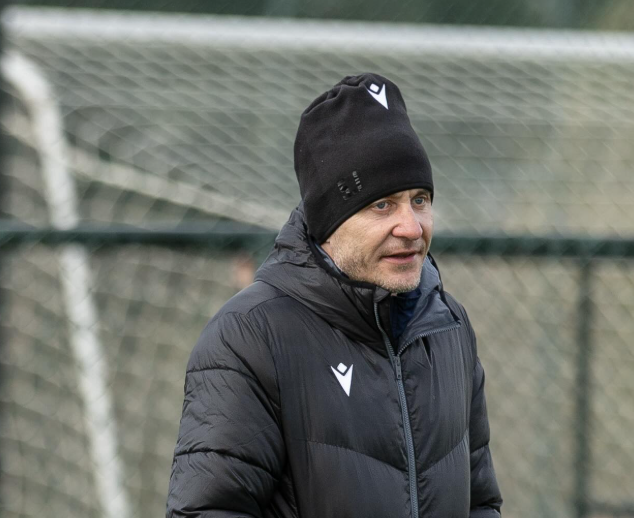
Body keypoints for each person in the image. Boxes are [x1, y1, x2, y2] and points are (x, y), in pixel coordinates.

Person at [166, 73, 502, 517]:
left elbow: (481, 502)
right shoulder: (249, 338)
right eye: (383, 205)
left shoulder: (448, 327)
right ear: (330, 222)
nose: (411, 226)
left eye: (419, 200)